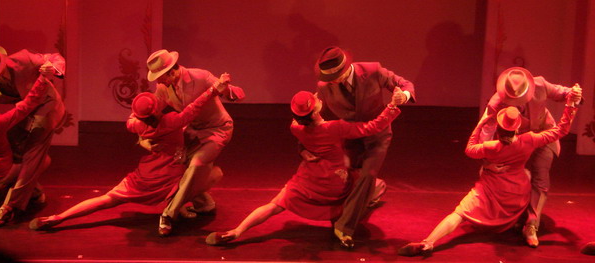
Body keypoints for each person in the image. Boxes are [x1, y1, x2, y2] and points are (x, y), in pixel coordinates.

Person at [28, 74, 229, 231]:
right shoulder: (173, 121)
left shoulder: (136, 125)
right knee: (212, 172)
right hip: (170, 174)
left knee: (107, 199)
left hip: (145, 175)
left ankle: (59, 218)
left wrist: (143, 134)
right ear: (157, 110)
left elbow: (131, 120)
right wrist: (214, 88)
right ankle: (175, 208)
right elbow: (195, 107)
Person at [205, 89, 403, 246]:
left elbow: (305, 132)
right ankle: (347, 216)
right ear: (316, 110)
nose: (317, 97)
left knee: (274, 205)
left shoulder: (295, 127)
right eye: (315, 100)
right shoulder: (335, 127)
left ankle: (237, 231)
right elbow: (372, 127)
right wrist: (392, 106)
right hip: (335, 181)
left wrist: (303, 151)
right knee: (376, 185)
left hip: (309, 180)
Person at [398, 93, 580, 257]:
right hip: (515, 195)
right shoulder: (529, 139)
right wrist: (571, 105)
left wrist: (482, 123)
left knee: (459, 214)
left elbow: (469, 149)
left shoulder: (491, 147)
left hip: (490, 189)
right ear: (517, 129)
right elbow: (561, 131)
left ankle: (428, 242)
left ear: (499, 129)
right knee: (527, 175)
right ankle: (521, 223)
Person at [306, 46, 415, 247]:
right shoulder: (324, 86)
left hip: (377, 135)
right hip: (350, 137)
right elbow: (322, 119)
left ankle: (344, 227)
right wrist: (309, 147)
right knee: (348, 177)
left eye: (338, 75)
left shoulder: (373, 71)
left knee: (367, 174)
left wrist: (403, 96)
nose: (335, 80)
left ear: (347, 67)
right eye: (330, 78)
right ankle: (373, 192)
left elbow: (405, 84)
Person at [477, 67, 582, 247]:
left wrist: (573, 94)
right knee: (511, 176)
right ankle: (512, 215)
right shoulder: (497, 101)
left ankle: (532, 224)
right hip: (514, 141)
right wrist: (488, 161)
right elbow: (485, 130)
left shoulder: (539, 84)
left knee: (541, 175)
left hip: (543, 133)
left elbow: (561, 92)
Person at [144, 49, 245, 236]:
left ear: (172, 71)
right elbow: (153, 111)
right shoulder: (163, 88)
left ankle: (169, 213)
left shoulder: (200, 76)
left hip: (218, 129)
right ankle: (204, 203)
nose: (158, 81)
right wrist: (140, 124)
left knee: (197, 163)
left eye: (160, 76)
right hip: (192, 130)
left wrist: (227, 88)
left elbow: (237, 93)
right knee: (177, 164)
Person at [0, 45, 67, 227]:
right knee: (13, 152)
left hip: (45, 105)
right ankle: (35, 194)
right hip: (22, 111)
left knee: (33, 151)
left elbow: (55, 57)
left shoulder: (23, 59)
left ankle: (11, 206)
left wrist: (52, 68)